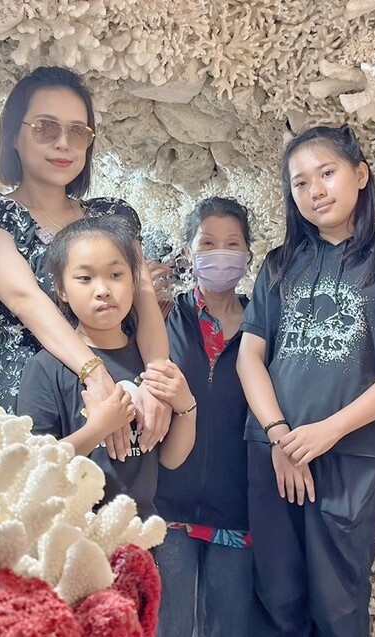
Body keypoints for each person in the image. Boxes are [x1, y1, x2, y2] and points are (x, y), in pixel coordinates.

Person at [236, 125, 375, 636]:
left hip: (349, 454)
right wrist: (280, 435)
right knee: (276, 597)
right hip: (273, 451)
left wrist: (329, 431)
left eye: (326, 173)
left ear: (360, 175)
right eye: (300, 182)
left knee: (339, 604)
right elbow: (249, 357)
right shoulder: (280, 264)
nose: (315, 190)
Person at [0, 66, 170, 457]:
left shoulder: (113, 216)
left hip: (124, 393)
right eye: (45, 128)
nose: (63, 144)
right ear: (13, 135)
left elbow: (143, 299)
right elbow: (26, 299)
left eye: (78, 131)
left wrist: (157, 385)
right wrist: (96, 376)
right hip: (27, 398)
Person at [16, 216, 197, 517]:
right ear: (61, 288)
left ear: (134, 281)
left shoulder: (148, 360)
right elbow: (34, 466)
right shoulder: (46, 368)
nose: (102, 289)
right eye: (85, 278)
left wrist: (187, 408)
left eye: (115, 275)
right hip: (71, 531)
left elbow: (170, 459)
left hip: (140, 530)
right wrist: (97, 429)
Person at [153, 197, 258, 637]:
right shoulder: (162, 317)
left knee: (228, 626)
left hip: (237, 506)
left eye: (232, 243)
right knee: (169, 625)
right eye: (208, 242)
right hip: (167, 506)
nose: (221, 253)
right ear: (188, 250)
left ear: (248, 253)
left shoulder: (262, 324)